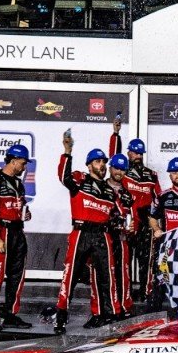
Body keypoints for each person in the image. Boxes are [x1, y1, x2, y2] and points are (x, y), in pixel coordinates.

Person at [51, 139, 122, 334]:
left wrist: (119, 220)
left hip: (102, 235)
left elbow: (115, 214)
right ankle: (61, 315)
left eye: (104, 162)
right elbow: (64, 177)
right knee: (70, 275)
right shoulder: (80, 179)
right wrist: (67, 151)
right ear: (89, 164)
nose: (102, 165)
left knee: (106, 276)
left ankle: (108, 314)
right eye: (98, 162)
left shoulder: (110, 190)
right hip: (81, 233)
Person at [0, 144, 32, 331]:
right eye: (23, 163)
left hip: (18, 232)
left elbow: (21, 207)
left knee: (17, 276)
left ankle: (10, 314)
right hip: (2, 232)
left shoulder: (19, 184)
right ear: (13, 161)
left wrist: (25, 214)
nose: (24, 167)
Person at [122, 138, 159, 301]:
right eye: (135, 152)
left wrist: (154, 219)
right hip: (127, 223)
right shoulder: (121, 172)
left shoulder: (151, 174)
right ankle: (125, 293)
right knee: (125, 261)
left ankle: (145, 293)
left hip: (144, 223)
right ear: (128, 153)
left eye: (140, 153)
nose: (138, 156)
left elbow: (158, 198)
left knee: (146, 261)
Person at [105, 153, 135, 318]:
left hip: (121, 238)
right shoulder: (100, 187)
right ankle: (108, 308)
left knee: (123, 273)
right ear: (110, 167)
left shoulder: (127, 194)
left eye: (123, 169)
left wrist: (131, 226)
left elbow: (130, 215)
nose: (119, 172)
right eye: (116, 168)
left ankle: (124, 307)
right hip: (104, 237)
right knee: (105, 274)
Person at [148, 156, 178, 244]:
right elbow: (153, 218)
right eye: (174, 172)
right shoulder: (162, 197)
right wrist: (157, 229)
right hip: (169, 245)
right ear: (170, 175)